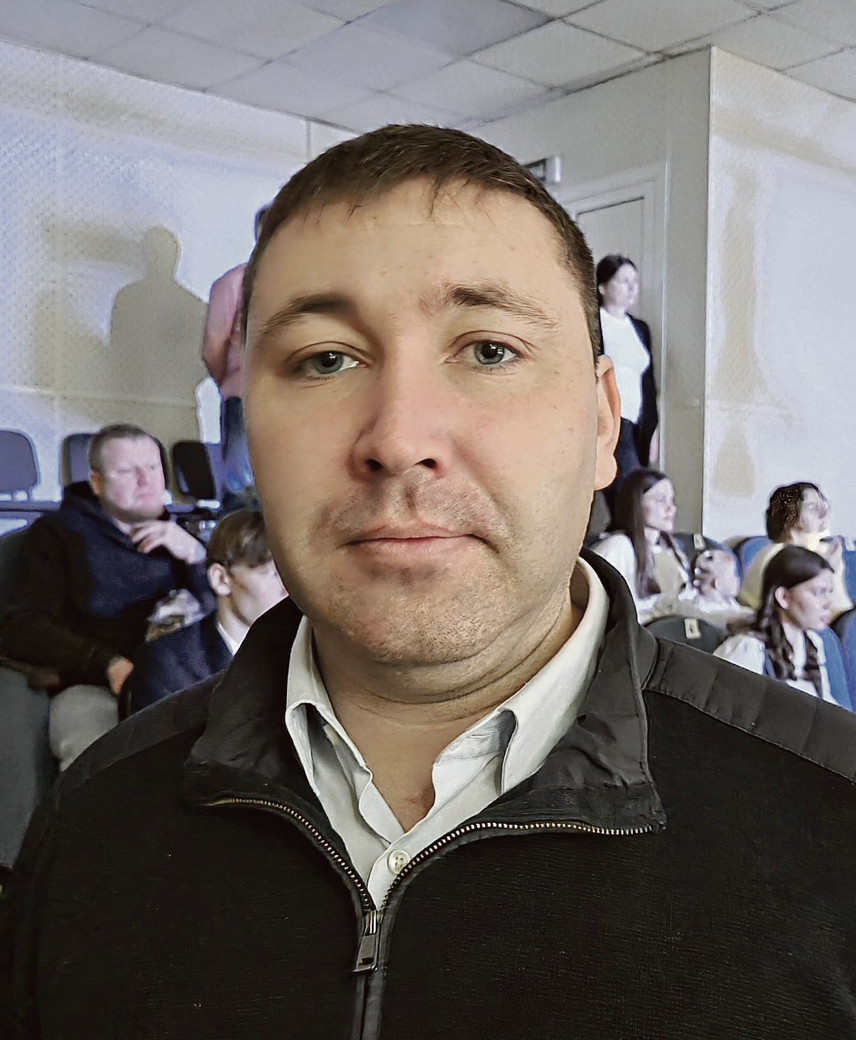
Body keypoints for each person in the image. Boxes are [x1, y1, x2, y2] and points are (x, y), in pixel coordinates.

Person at [5, 126, 856, 1040]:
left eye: (489, 350)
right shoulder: (92, 828)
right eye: (325, 359)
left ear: (605, 423)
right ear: (251, 431)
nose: (399, 437)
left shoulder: (834, 821)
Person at [0, 424, 211, 771]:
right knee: (98, 760)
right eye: (128, 471)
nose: (146, 481)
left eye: (153, 467)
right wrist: (105, 663)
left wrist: (197, 559)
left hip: (182, 682)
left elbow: (224, 619)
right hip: (96, 684)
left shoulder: (185, 542)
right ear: (97, 483)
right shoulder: (57, 536)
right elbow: (23, 626)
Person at [129, 509, 286, 712]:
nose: (288, 590)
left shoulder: (307, 653)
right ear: (221, 579)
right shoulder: (169, 666)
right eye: (275, 574)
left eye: (291, 576)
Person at [715, 545, 844, 706]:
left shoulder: (812, 642)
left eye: (829, 592)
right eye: (819, 592)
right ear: (783, 597)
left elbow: (826, 707)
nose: (828, 603)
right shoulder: (748, 648)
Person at [202, 206, 269, 510]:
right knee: (240, 490)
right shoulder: (234, 283)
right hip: (244, 395)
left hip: (300, 398)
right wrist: (232, 381)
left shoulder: (309, 282)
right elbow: (213, 346)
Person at [739, 481, 853, 617]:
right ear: (790, 518)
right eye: (813, 507)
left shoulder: (826, 551)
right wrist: (827, 568)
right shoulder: (775, 555)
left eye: (824, 504)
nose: (823, 512)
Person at [590, 469, 690, 621]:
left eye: (671, 500)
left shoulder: (669, 551)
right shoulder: (618, 546)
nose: (671, 508)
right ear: (636, 503)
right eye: (661, 499)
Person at [596, 254, 658, 491]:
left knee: (631, 490)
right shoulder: (595, 323)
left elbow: (648, 383)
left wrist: (653, 429)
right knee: (628, 490)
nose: (632, 287)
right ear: (603, 287)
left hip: (636, 422)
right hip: (608, 419)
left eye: (635, 281)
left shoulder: (640, 328)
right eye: (624, 281)